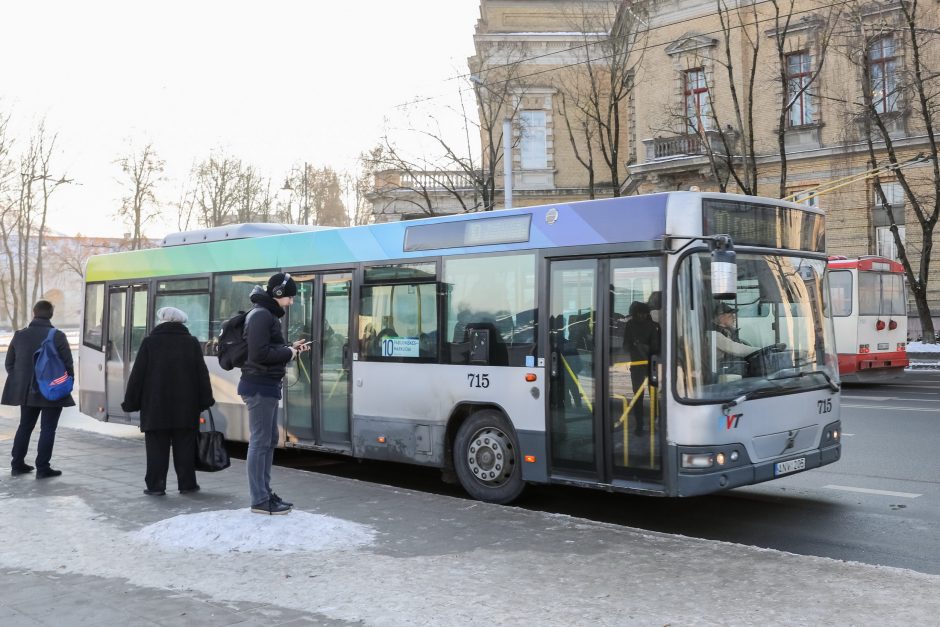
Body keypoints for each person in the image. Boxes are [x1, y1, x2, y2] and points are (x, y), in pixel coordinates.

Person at [121, 307, 214, 496]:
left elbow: (137, 376)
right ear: (182, 322)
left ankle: (156, 486)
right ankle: (187, 485)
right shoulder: (191, 343)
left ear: (161, 321)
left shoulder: (149, 343)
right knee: (185, 448)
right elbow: (202, 375)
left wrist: (131, 402)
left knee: (156, 449)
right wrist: (205, 400)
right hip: (186, 408)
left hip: (155, 408)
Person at [239, 272, 311, 515]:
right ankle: (259, 499)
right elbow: (259, 354)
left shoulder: (266, 314)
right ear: (278, 294)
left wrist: (290, 348)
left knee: (268, 440)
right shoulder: (261, 315)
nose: (291, 302)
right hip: (259, 386)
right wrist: (288, 353)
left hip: (266, 385)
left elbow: (267, 349)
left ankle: (265, 493)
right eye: (290, 297)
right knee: (260, 442)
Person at [3, 300, 74, 478]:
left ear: (34, 313)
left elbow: (9, 363)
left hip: (27, 392)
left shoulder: (20, 335)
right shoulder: (57, 335)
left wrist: (23, 380)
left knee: (25, 426)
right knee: (48, 429)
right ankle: (43, 468)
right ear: (51, 314)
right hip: (52, 390)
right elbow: (68, 364)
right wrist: (64, 382)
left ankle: (17, 464)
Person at [622, 301, 660, 435]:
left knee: (642, 397)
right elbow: (625, 346)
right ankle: (644, 425)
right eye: (639, 314)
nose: (641, 316)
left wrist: (639, 345)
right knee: (644, 397)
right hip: (646, 366)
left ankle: (644, 426)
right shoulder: (644, 326)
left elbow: (655, 348)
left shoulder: (648, 326)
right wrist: (634, 344)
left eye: (643, 314)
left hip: (643, 365)